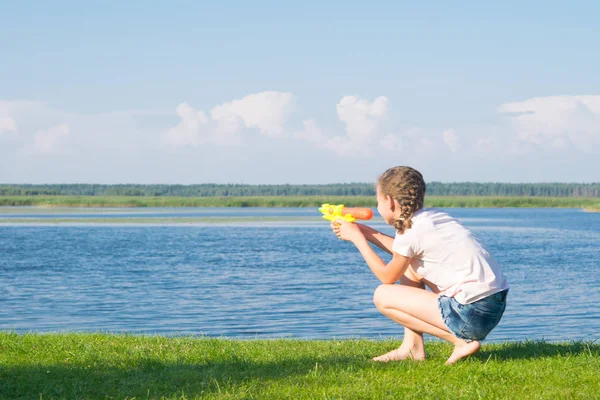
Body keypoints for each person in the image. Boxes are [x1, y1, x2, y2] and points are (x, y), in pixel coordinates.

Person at [331, 166, 509, 365]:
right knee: (408, 268)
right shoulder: (432, 218)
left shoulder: (411, 232)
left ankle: (461, 341)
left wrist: (357, 239)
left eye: (378, 200)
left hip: (470, 313)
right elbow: (405, 253)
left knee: (382, 295)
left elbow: (386, 277)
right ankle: (412, 347)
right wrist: (364, 231)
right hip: (490, 307)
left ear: (389, 201)